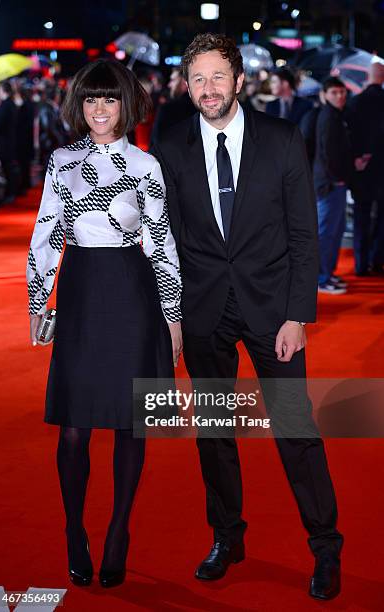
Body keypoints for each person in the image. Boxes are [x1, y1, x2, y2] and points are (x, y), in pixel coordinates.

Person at [152, 33, 343, 600]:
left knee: (296, 431)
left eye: (218, 77)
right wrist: (172, 316)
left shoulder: (283, 139)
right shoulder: (171, 146)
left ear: (239, 80)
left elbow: (303, 235)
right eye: (198, 79)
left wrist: (297, 316)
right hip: (204, 311)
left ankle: (325, 546)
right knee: (214, 434)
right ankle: (227, 537)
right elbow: (165, 238)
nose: (208, 89)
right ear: (188, 86)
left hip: (272, 313)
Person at [26, 59, 182, 589]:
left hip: (132, 295)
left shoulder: (144, 165)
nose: (99, 108)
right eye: (91, 98)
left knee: (127, 422)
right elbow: (47, 233)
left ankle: (118, 531)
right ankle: (75, 530)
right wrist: (36, 300)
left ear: (126, 104)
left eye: (109, 98)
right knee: (73, 428)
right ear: (78, 104)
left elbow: (160, 241)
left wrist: (173, 313)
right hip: (80, 292)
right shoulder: (61, 162)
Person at [313, 77, 353, 294]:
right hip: (329, 184)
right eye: (335, 93)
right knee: (326, 233)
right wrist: (337, 177)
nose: (340, 96)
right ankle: (321, 278)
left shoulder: (336, 115)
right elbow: (327, 153)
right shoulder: (328, 116)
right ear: (326, 94)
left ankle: (327, 273)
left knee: (335, 231)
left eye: (342, 92)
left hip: (335, 182)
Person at [348, 62, 384, 275]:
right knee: (382, 217)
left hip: (362, 166)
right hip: (382, 168)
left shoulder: (355, 102)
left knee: (361, 216)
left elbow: (348, 135)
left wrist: (356, 159)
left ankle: (361, 265)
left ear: (368, 76)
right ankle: (377, 259)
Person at [150, 68, 196, 146]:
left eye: (173, 80)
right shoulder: (204, 110)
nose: (169, 85)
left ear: (185, 83)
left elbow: (156, 144)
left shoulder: (167, 109)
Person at [0, 81, 19, 204]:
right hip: (10, 142)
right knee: (8, 169)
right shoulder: (10, 104)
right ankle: (11, 193)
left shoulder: (5, 105)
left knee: (7, 169)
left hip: (5, 143)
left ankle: (9, 194)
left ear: (3, 91)